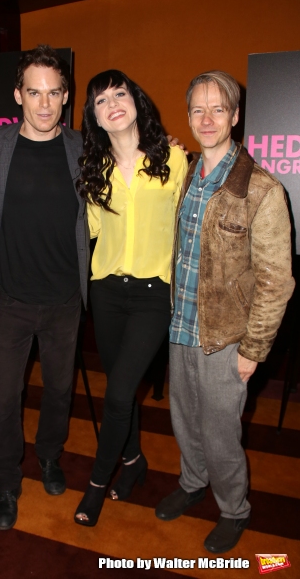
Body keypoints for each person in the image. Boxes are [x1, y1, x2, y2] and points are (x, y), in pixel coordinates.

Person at [155, 70, 295, 553]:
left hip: (227, 337)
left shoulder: (263, 190)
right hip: (182, 326)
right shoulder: (188, 171)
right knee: (184, 420)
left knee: (219, 433)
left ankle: (234, 508)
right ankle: (193, 482)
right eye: (198, 108)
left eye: (219, 108)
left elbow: (277, 281)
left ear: (236, 116)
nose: (207, 118)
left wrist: (253, 349)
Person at [0, 45, 90, 531]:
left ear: (66, 96)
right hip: (11, 302)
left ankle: (48, 457)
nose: (45, 104)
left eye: (55, 93)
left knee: (59, 393)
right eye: (35, 92)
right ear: (18, 94)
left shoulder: (84, 149)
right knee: (3, 400)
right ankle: (8, 483)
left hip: (65, 302)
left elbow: (135, 159)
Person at [74, 70, 188, 526]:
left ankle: (97, 484)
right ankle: (134, 462)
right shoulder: (94, 170)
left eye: (120, 93)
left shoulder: (174, 159)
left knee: (119, 392)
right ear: (95, 118)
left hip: (153, 295)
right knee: (122, 388)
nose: (112, 103)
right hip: (106, 293)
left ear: (136, 102)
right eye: (101, 100)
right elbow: (93, 235)